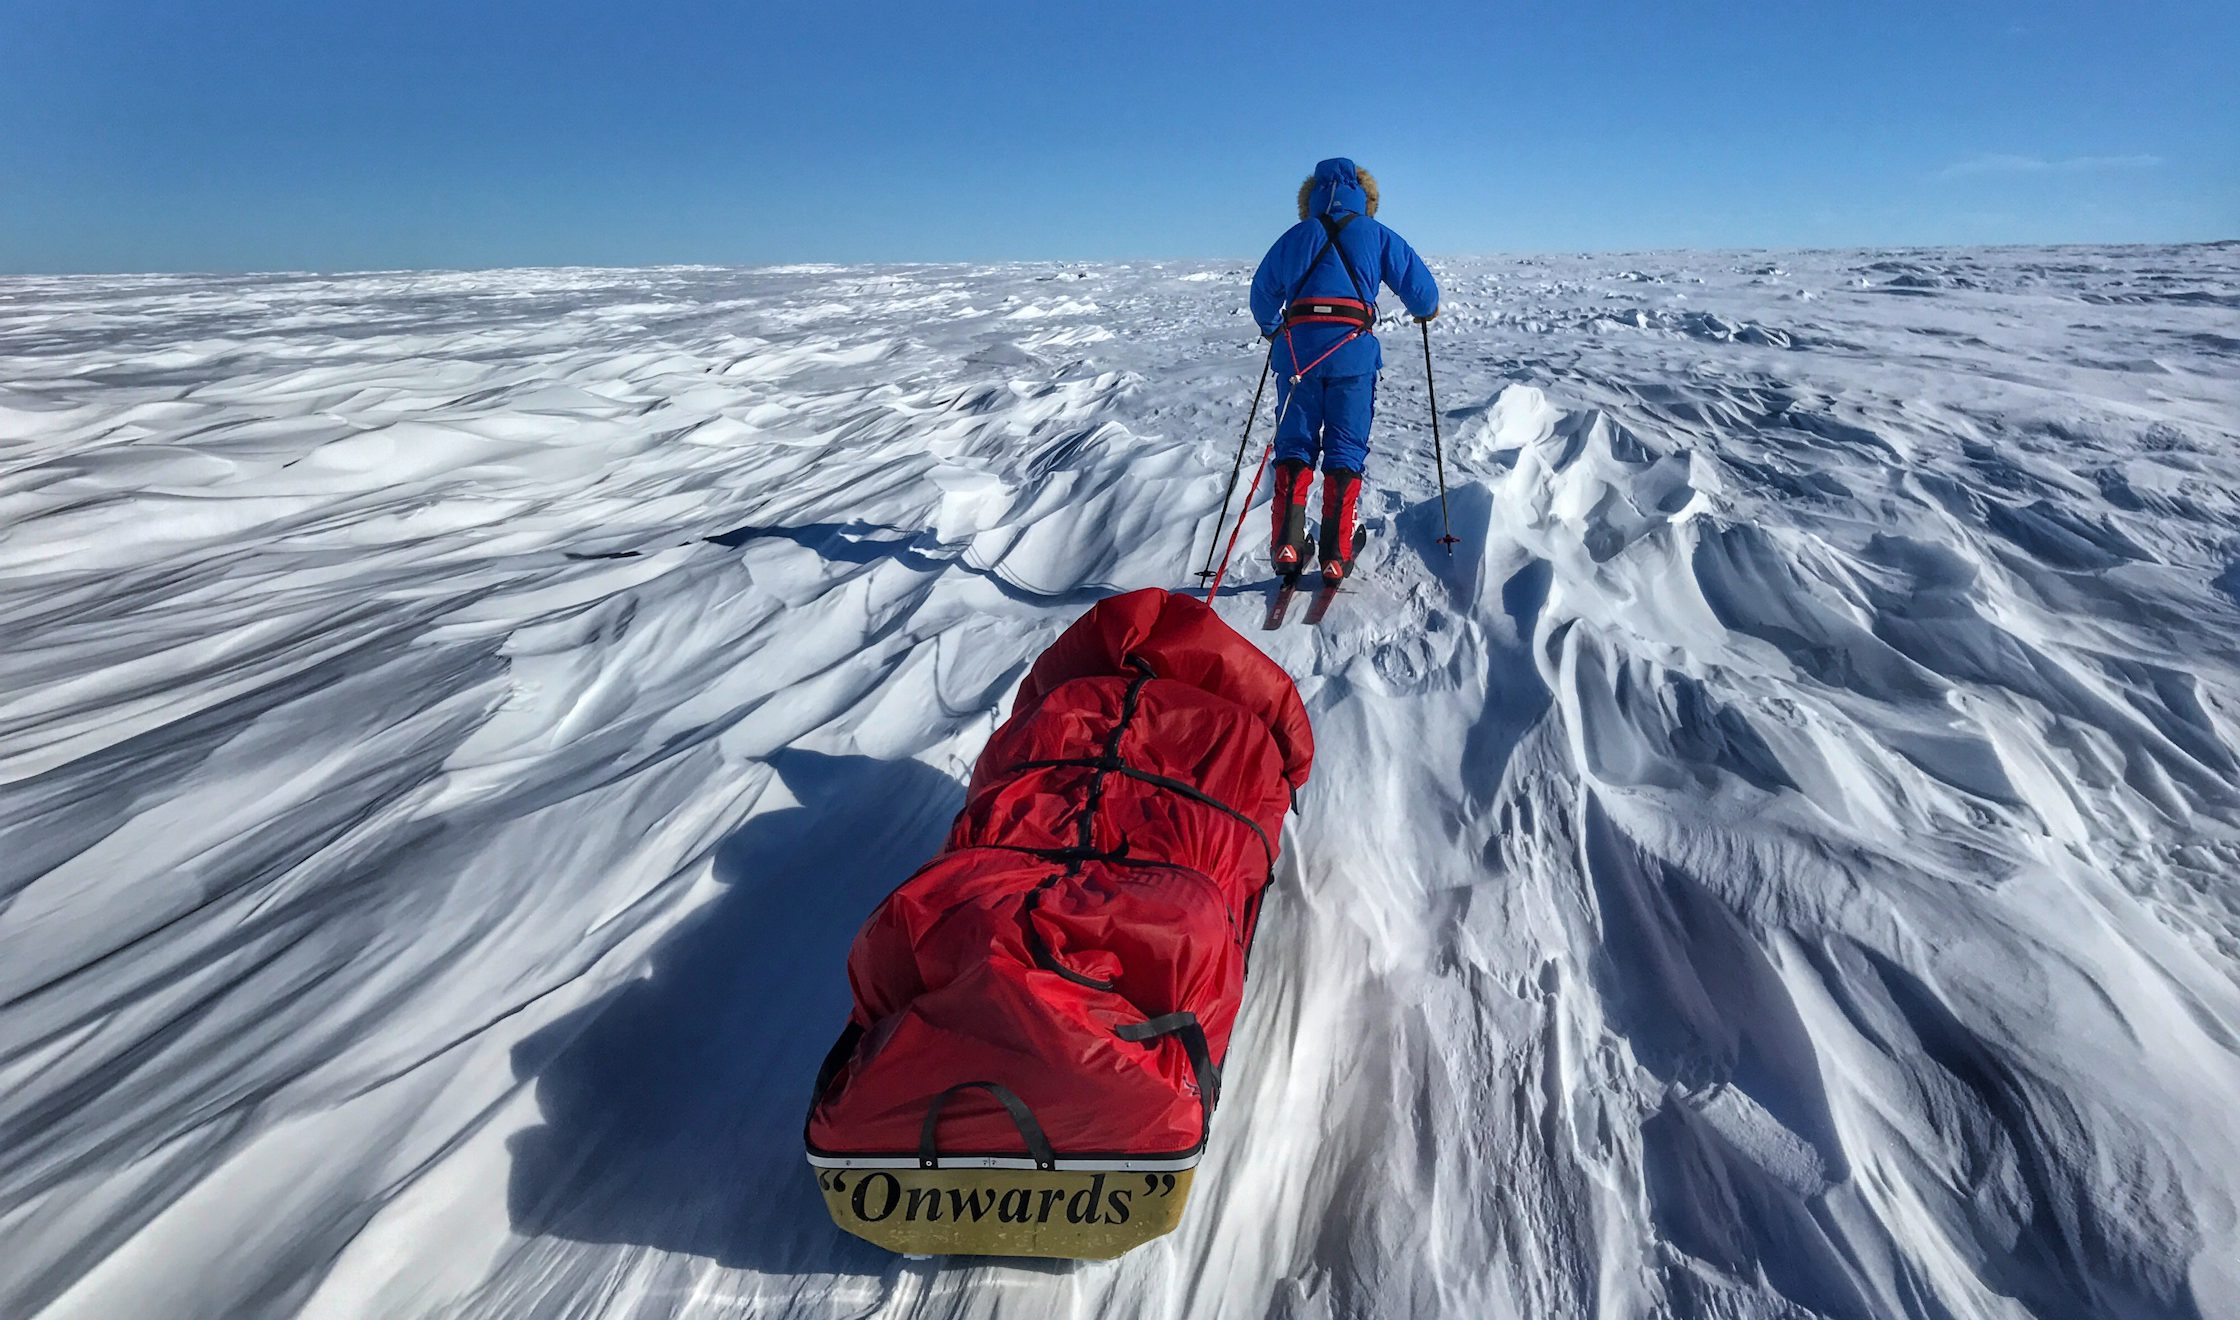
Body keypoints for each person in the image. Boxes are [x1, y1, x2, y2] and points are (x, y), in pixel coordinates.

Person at [1249, 157, 1441, 584]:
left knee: (1294, 445)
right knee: (1345, 447)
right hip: (1352, 357)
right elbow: (1424, 295)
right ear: (1365, 198)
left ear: (1310, 200)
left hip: (1297, 356)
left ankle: (1288, 543)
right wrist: (1424, 312)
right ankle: (1336, 551)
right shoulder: (1376, 235)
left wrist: (1275, 332)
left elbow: (1261, 294)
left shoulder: (1294, 237)